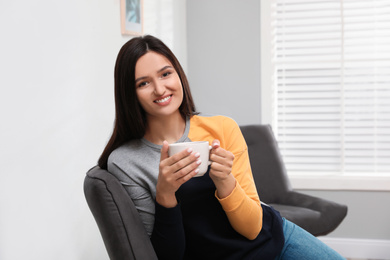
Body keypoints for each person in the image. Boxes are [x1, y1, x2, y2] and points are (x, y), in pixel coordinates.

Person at [98, 35, 345, 260]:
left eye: (165, 74)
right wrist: (165, 194)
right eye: (143, 83)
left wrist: (225, 181)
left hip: (275, 239)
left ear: (179, 75)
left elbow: (253, 228)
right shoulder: (126, 161)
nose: (160, 89)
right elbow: (168, 255)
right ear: (129, 93)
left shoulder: (222, 128)